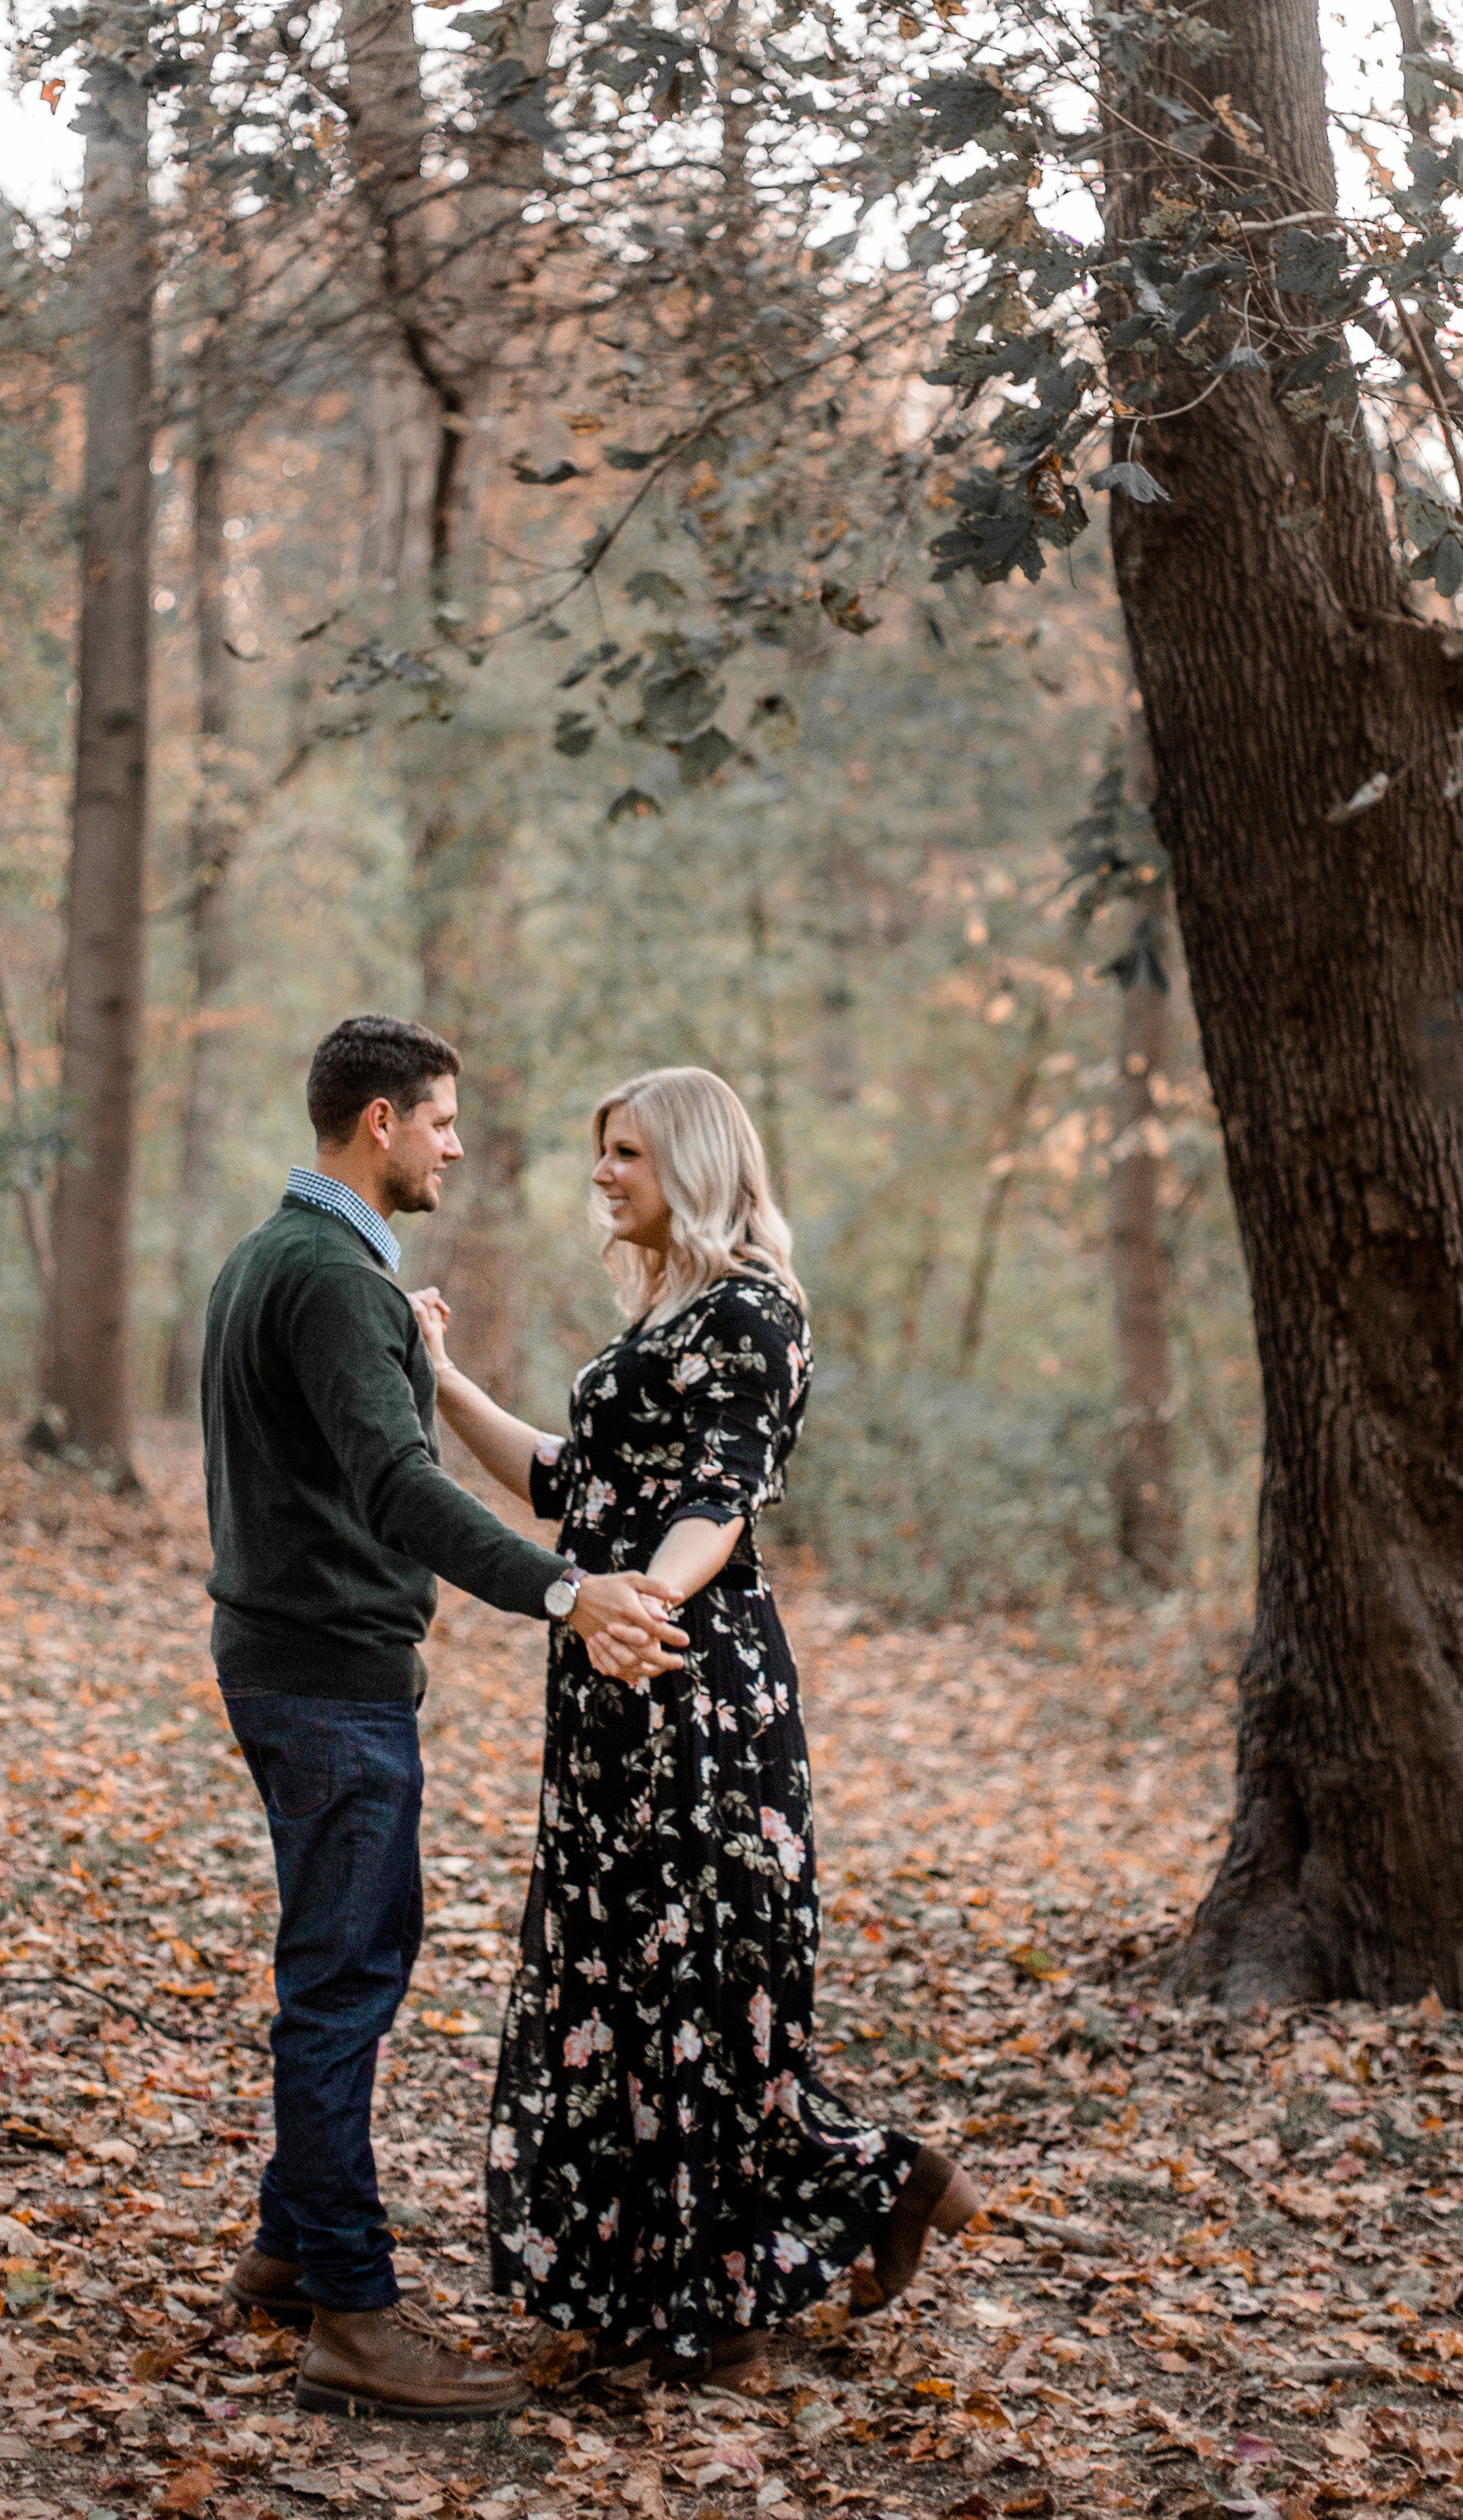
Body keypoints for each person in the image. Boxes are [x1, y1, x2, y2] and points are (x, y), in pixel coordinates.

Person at [411, 1064, 980, 2387]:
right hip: (619, 1678)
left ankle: (720, 2312)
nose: (601, 1173)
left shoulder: (753, 1312)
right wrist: (440, 1377)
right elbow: (566, 1480)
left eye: (625, 1151)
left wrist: (640, 1605)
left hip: (696, 1684)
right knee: (626, 1981)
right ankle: (787, 2230)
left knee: (705, 1991)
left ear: (694, 1160)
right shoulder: (660, 1318)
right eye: (600, 1152)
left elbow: (718, 1502)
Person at [202, 1014, 686, 2423]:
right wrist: (566, 1592)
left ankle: (293, 2249)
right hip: (328, 1676)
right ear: (380, 1125)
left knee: (344, 1954)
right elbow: (398, 1490)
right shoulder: (331, 1279)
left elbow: (330, 1453)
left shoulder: (276, 1261)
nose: (457, 1146)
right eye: (443, 1121)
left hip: (289, 1659)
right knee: (344, 1976)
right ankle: (353, 2313)